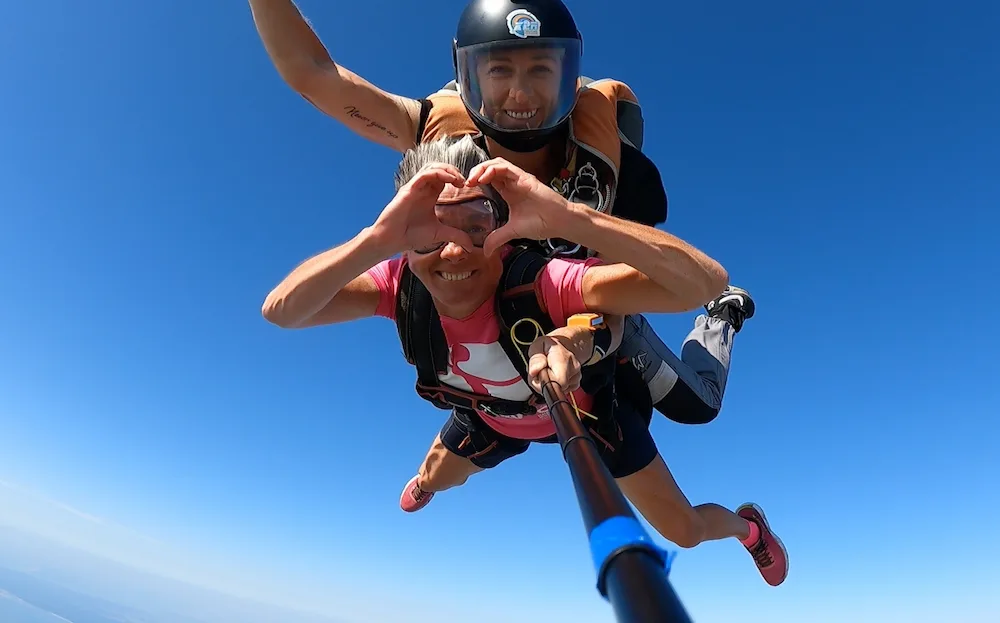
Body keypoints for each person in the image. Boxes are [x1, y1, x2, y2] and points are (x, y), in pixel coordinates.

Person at [261, 136, 789, 587]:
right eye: (424, 230)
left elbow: (704, 282)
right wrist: (375, 241)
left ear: (502, 225)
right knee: (435, 476)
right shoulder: (398, 282)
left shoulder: (541, 279)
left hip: (585, 417)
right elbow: (283, 311)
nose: (451, 252)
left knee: (685, 533)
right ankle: (429, 478)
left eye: (471, 222)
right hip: (491, 415)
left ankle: (750, 530)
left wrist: (571, 219)